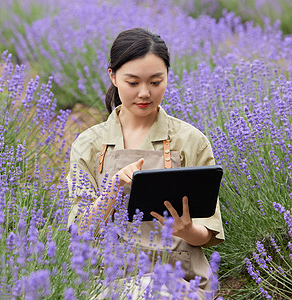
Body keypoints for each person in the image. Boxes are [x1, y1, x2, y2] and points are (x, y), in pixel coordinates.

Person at [67, 28, 224, 298]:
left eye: (155, 82)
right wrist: (111, 190)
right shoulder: (89, 145)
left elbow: (208, 235)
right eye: (133, 82)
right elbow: (79, 233)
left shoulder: (190, 141)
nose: (144, 93)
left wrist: (187, 230)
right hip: (109, 279)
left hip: (179, 278)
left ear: (167, 78)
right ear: (113, 77)